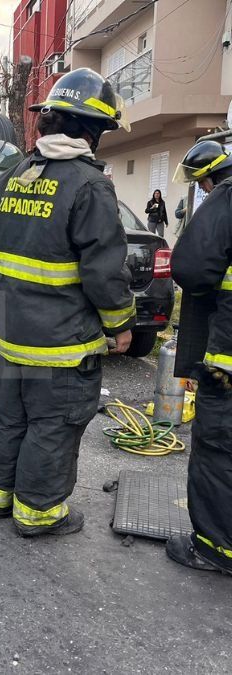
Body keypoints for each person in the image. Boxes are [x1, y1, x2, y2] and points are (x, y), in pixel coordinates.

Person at [0, 67, 135, 537]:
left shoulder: (12, 177)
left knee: (12, 417)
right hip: (60, 344)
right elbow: (103, 270)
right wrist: (121, 324)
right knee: (52, 426)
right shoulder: (88, 185)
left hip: (9, 336)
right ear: (91, 130)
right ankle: (40, 514)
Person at [164, 139, 232, 575]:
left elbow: (189, 266)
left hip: (226, 358)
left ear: (206, 178)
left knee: (218, 447)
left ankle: (214, 548)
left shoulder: (225, 198)